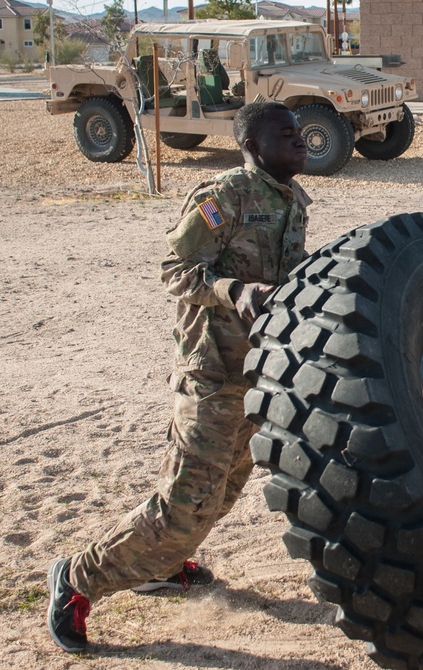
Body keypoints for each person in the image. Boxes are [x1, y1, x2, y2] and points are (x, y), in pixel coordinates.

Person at [46, 102, 311, 653]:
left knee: (222, 493)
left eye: (299, 133)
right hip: (212, 373)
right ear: (253, 145)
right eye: (285, 134)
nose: (299, 141)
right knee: (183, 504)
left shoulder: (292, 201)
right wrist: (232, 291)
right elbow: (176, 269)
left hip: (257, 372)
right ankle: (76, 578)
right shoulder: (224, 196)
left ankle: (161, 567)